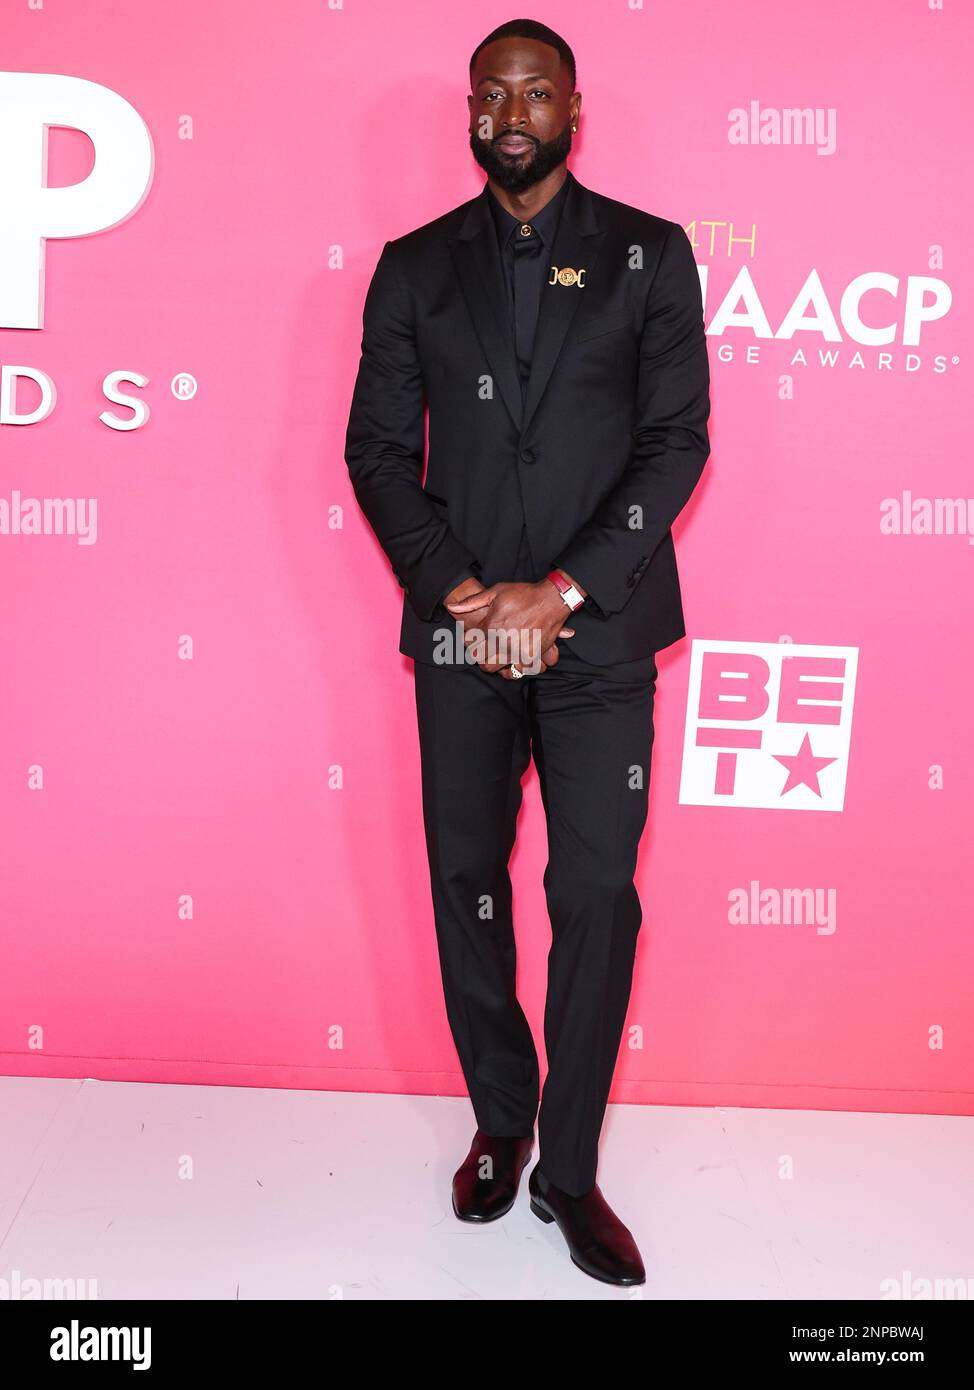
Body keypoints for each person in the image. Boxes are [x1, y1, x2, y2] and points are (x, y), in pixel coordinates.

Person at [344, 17, 711, 1286]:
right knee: (468, 881)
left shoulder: (648, 256)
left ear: (572, 108)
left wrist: (557, 590)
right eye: (490, 90)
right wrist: (461, 591)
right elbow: (378, 455)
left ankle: (568, 1167)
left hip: (598, 631)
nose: (511, 109)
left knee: (596, 896)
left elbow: (676, 445)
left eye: (534, 90)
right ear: (469, 111)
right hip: (458, 636)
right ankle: (501, 1122)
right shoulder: (411, 267)